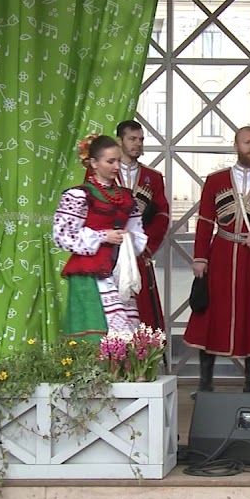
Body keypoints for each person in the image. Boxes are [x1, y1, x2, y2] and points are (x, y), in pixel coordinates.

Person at [184, 126, 250, 393]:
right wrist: (200, 257)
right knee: (209, 317)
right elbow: (206, 221)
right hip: (220, 254)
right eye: (247, 142)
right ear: (236, 146)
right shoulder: (215, 180)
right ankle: (205, 383)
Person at [53, 134, 148, 340]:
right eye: (110, 161)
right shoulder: (78, 195)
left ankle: (124, 370)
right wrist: (103, 236)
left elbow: (137, 231)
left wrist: (127, 238)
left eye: (118, 161)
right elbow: (62, 235)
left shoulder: (125, 196)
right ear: (94, 163)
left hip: (119, 269)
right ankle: (94, 371)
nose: (116, 166)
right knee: (96, 329)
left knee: (125, 330)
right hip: (89, 271)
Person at [115, 119, 170, 331]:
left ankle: (142, 362)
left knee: (144, 312)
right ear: (120, 141)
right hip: (110, 254)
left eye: (140, 139)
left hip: (139, 254)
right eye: (132, 139)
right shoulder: (102, 172)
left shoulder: (153, 177)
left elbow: (163, 214)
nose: (137, 144)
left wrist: (144, 245)